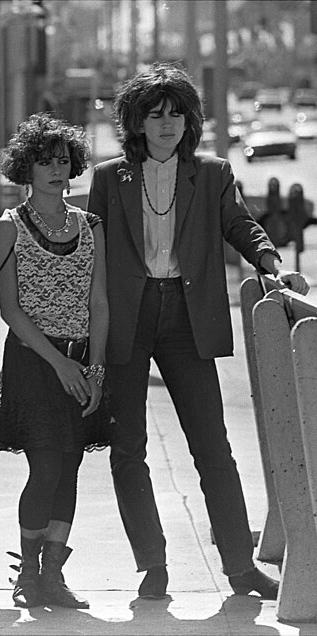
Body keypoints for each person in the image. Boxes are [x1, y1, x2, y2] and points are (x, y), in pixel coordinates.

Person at [87, 63, 310, 600]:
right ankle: (153, 565)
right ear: (135, 123)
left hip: (188, 318)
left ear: (191, 122)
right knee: (128, 446)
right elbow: (91, 254)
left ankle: (239, 566)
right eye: (154, 115)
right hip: (128, 316)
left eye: (176, 114)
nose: (167, 124)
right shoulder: (107, 177)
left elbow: (241, 226)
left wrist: (269, 264)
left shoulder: (212, 173)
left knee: (212, 446)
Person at [0, 112, 114, 609]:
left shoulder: (90, 225)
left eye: (63, 161)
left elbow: (98, 302)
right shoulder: (8, 227)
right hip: (34, 363)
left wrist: (95, 369)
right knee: (45, 469)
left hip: (83, 360)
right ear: (26, 168)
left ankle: (54, 575)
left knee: (72, 467)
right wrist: (60, 365)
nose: (56, 170)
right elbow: (12, 313)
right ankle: (28, 574)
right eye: (44, 161)